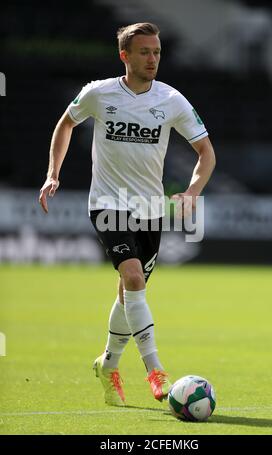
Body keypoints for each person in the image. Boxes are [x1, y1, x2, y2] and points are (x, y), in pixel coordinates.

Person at [39, 22, 216, 407]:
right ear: (125, 55)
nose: (152, 59)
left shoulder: (172, 100)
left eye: (156, 52)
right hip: (107, 203)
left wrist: (191, 192)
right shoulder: (99, 93)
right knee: (133, 277)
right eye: (144, 52)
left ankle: (108, 363)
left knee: (128, 292)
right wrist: (53, 173)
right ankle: (154, 369)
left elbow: (206, 153)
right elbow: (66, 123)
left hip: (151, 210)